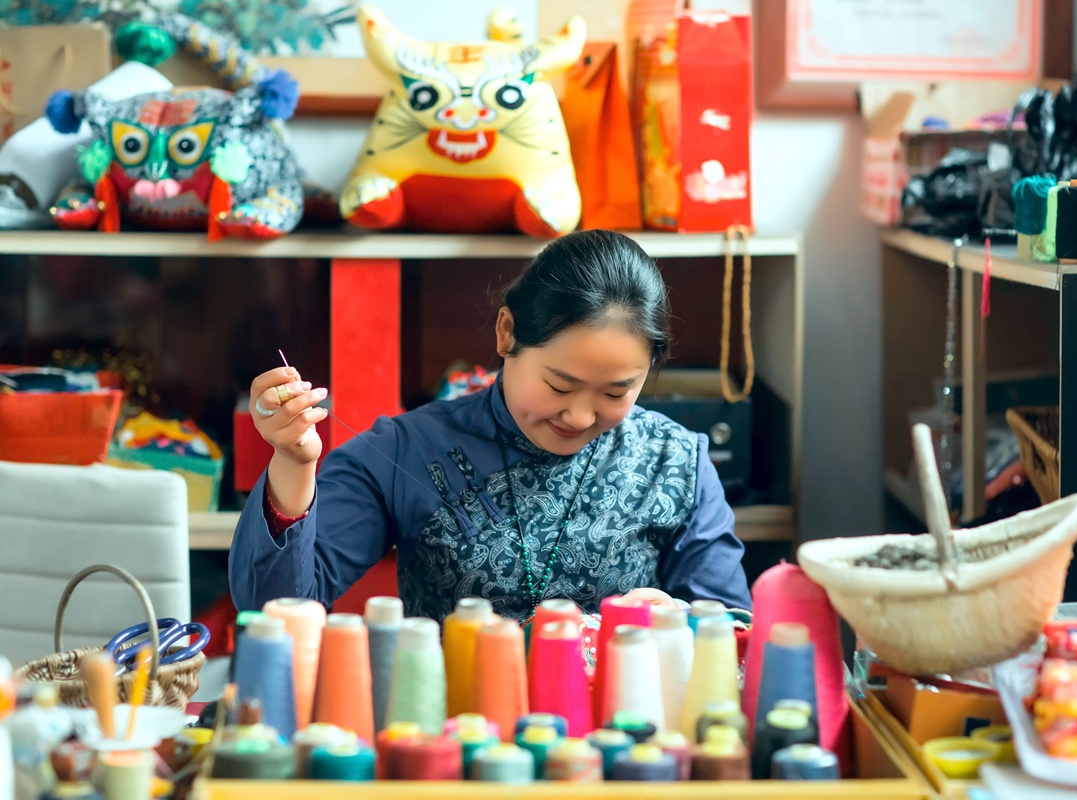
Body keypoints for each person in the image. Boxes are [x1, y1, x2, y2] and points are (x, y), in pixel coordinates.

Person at [229, 229, 752, 621]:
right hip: (454, 744)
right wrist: (293, 463)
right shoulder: (409, 448)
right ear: (507, 334)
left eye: (617, 392)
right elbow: (273, 609)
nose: (580, 416)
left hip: (624, 744)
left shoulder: (674, 461)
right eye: (560, 385)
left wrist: (679, 621)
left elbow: (733, 631)